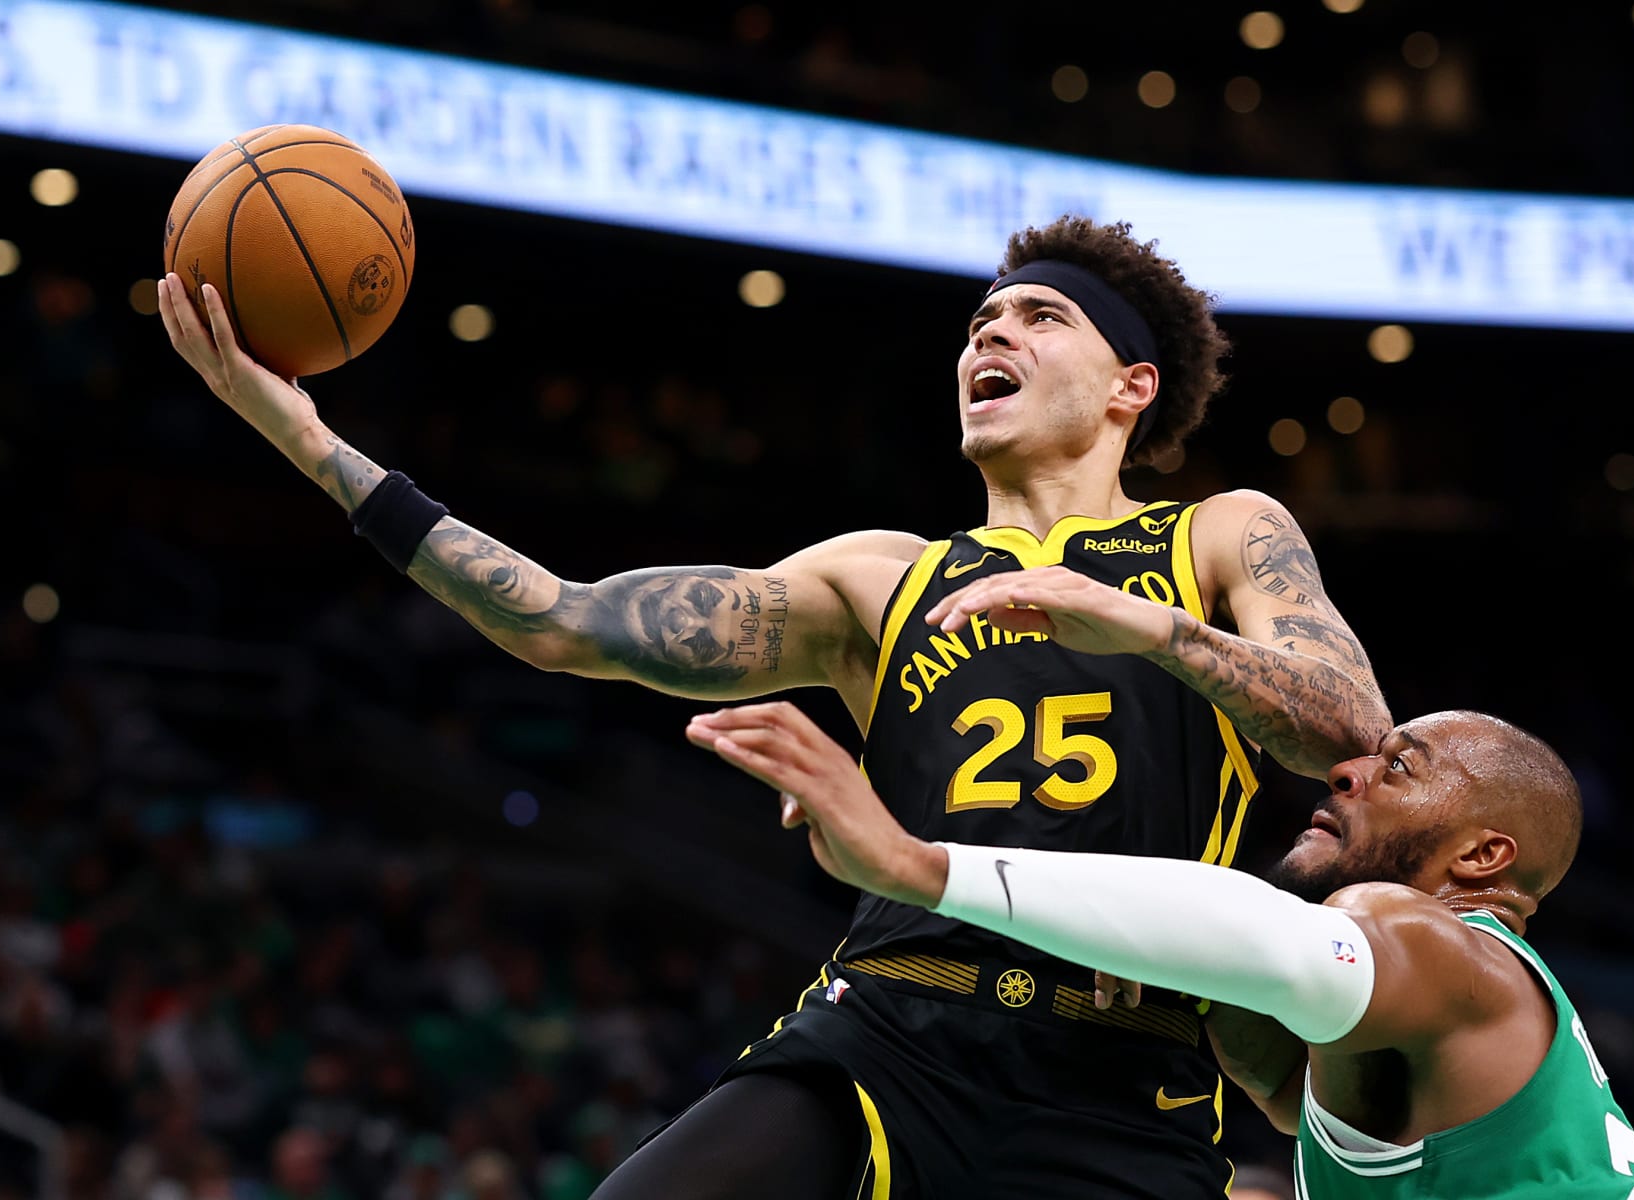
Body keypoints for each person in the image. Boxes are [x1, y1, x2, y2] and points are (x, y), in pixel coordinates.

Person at [158, 215, 1391, 1198]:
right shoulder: (882, 576)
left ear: (1132, 385)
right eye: (977, 321)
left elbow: (1353, 734)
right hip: (897, 1032)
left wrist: (1145, 625)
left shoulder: (1221, 537)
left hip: (1121, 1074)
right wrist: (314, 443)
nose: (988, 337)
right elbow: (559, 620)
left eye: (1037, 315)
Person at [687, 701, 1634, 1199]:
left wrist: (915, 862)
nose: (1350, 765)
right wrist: (1170, 955)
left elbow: (1279, 951)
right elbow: (1279, 1077)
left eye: (1400, 765)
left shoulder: (1446, 951)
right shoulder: (1409, 1043)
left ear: (1486, 855)